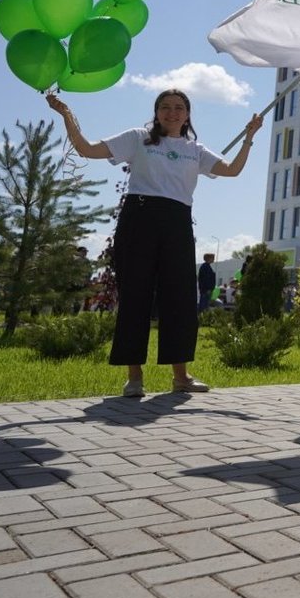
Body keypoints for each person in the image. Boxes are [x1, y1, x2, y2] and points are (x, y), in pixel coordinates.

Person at [47, 89, 261, 397]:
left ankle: (181, 376)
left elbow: (232, 170)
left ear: (187, 115)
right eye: (165, 107)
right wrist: (67, 115)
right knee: (135, 297)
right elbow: (86, 149)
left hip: (178, 222)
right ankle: (134, 377)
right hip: (140, 218)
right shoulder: (138, 138)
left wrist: (249, 137)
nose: (171, 112)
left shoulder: (195, 150)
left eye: (178, 108)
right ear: (156, 112)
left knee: (180, 299)